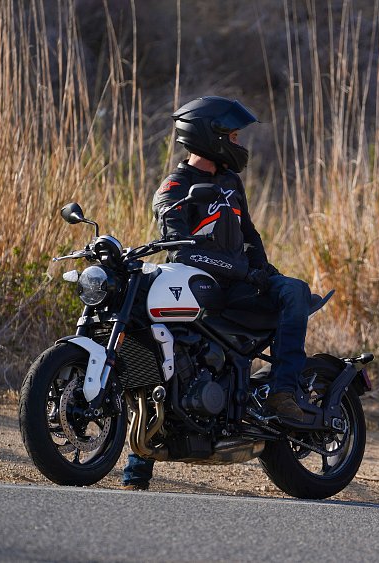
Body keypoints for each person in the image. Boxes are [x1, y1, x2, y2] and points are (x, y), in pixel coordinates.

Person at [121, 96, 312, 491]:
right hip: (197, 289)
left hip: (239, 286)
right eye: (234, 136)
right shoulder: (174, 187)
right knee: (160, 356)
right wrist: (243, 271)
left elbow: (249, 235)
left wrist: (264, 271)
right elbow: (180, 248)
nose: (239, 143)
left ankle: (283, 392)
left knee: (295, 291)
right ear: (211, 136)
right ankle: (137, 470)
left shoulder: (230, 181)